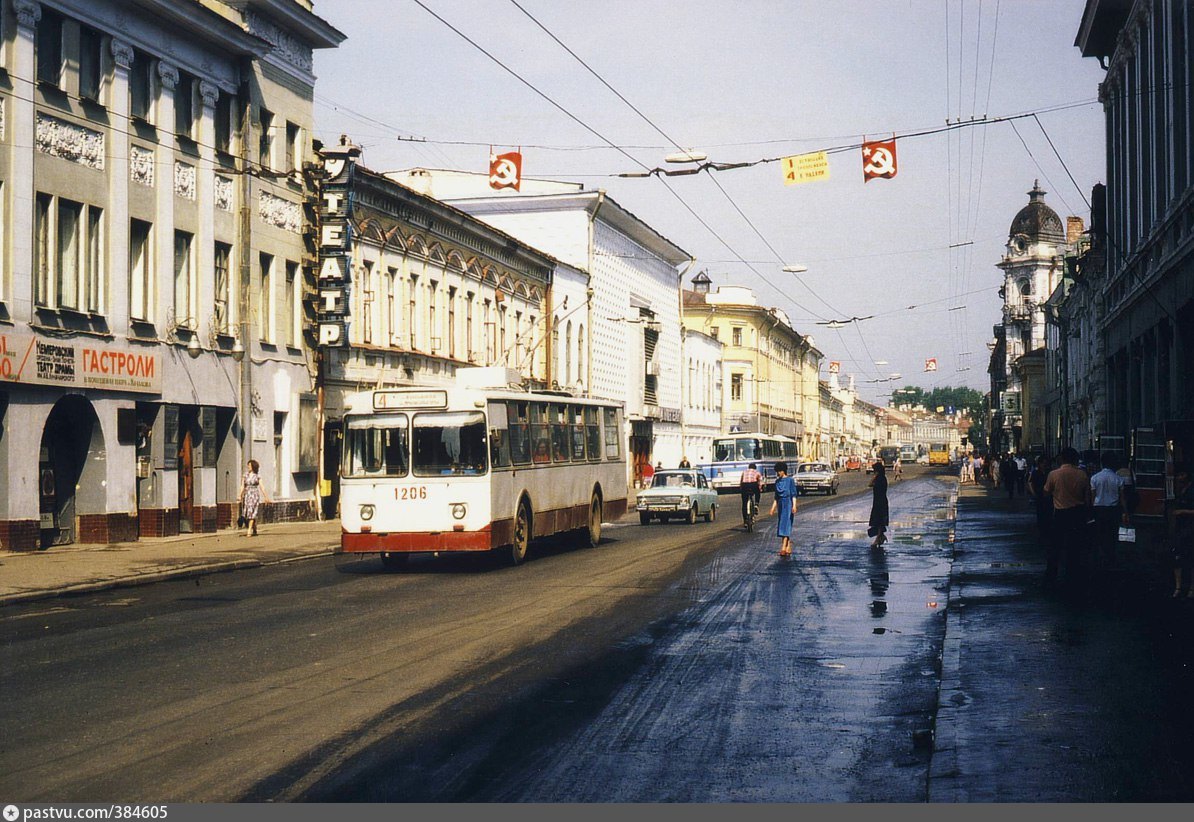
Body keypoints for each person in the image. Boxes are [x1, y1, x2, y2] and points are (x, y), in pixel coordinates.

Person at [1043, 447, 1093, 590]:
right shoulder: (1082, 475)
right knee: (1075, 547)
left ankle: (1051, 576)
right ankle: (1073, 576)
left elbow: (1046, 492)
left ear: (1062, 459)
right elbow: (1087, 498)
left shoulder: (1054, 474)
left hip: (1060, 513)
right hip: (1077, 514)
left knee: (1055, 547)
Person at [1089, 452, 1128, 570]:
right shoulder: (1118, 479)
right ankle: (1110, 556)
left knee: (1099, 533)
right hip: (1113, 510)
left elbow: (1093, 496)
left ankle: (1099, 557)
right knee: (1112, 534)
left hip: (1099, 509)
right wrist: (1125, 512)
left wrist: (1091, 511)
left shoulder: (1095, 478)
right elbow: (1122, 498)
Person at [1170, 466, 1194, 598]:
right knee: (1177, 556)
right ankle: (1178, 586)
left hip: (1190, 527)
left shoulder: (1191, 492)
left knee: (1190, 557)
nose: (1179, 477)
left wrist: (1183, 511)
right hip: (1180, 528)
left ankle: (1191, 588)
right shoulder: (1179, 491)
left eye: (1182, 474)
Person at [768, 461, 798, 557]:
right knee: (783, 523)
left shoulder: (790, 480)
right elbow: (776, 497)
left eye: (780, 471)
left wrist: (794, 506)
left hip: (788, 503)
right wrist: (772, 509)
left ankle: (783, 547)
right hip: (781, 504)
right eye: (777, 471)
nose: (778, 473)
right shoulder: (777, 482)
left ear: (784, 471)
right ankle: (788, 545)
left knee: (786, 523)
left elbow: (793, 494)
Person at [237, 459, 270, 537]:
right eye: (248, 465)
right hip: (247, 495)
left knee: (252, 511)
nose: (248, 467)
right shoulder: (245, 475)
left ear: (253, 466)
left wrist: (266, 496)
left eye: (250, 465)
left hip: (254, 495)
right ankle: (254, 528)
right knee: (248, 512)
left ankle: (249, 531)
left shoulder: (257, 476)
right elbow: (242, 486)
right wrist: (240, 495)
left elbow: (262, 487)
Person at [1027, 455, 1053, 545]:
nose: (1044, 465)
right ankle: (1042, 534)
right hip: (1039, 496)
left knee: (1049, 515)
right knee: (1041, 515)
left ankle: (1047, 534)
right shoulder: (1035, 472)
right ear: (1039, 464)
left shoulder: (1050, 473)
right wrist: (1033, 493)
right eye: (1042, 463)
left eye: (1045, 463)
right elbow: (1030, 482)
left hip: (1049, 496)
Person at [868, 460, 889, 548]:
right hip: (879, 501)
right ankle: (881, 536)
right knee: (879, 520)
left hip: (880, 502)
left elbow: (870, 484)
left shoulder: (880, 478)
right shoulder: (882, 477)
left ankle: (878, 538)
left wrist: (875, 476)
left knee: (879, 520)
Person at [740, 461, 762, 527]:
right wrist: (760, 488)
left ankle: (745, 521)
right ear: (755, 468)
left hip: (744, 486)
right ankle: (756, 504)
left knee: (744, 503)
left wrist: (741, 489)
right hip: (753, 485)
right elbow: (760, 482)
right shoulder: (757, 472)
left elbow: (741, 481)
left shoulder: (744, 472)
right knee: (758, 492)